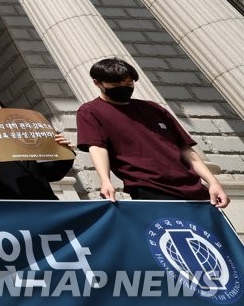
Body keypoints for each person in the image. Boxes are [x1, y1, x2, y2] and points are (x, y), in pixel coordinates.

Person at [76, 57, 229, 207]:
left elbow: (185, 148)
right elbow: (97, 147)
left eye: (129, 83)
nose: (124, 87)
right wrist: (105, 180)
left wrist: (213, 182)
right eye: (116, 84)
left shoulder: (154, 109)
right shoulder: (91, 111)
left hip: (194, 189)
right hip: (149, 188)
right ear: (97, 83)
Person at [0, 88, 74, 200]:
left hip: (45, 201)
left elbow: (51, 173)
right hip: (10, 207)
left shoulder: (25, 132)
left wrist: (64, 153)